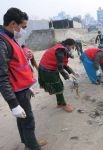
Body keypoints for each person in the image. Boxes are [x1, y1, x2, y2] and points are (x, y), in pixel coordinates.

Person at [0, 8, 47, 150]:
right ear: (13, 24)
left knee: (23, 119)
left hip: (22, 88)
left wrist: (27, 85)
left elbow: (16, 66)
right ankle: (33, 146)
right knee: (28, 120)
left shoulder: (10, 38)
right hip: (17, 92)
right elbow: (1, 76)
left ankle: (28, 143)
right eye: (23, 27)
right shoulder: (2, 42)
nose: (23, 30)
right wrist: (13, 103)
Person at [38, 39, 79, 112]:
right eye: (72, 47)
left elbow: (64, 65)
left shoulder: (61, 48)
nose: (72, 49)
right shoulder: (61, 51)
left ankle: (59, 103)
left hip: (47, 68)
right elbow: (60, 67)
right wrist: (68, 78)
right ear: (68, 46)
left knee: (58, 85)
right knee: (59, 87)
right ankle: (63, 105)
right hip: (47, 70)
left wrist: (72, 72)